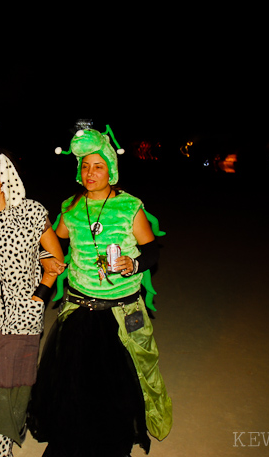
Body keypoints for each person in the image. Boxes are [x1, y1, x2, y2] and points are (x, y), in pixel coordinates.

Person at [27, 127, 172, 457]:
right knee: (75, 381)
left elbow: (152, 252)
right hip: (80, 307)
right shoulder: (72, 207)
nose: (90, 173)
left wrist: (132, 263)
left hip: (120, 311)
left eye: (98, 166)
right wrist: (47, 259)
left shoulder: (128, 207)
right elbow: (55, 240)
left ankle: (110, 442)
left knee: (117, 383)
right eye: (85, 166)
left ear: (111, 170)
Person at [0, 148, 65, 457]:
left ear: (2, 178)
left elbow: (54, 257)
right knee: (7, 373)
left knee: (6, 381)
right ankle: (27, 398)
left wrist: (39, 296)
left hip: (22, 313)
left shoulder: (30, 212)